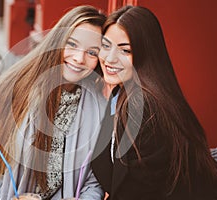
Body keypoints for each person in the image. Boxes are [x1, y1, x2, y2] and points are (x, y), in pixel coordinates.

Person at [0, 5, 107, 200]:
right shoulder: (12, 90)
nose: (79, 58)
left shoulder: (99, 109)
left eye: (92, 52)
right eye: (72, 44)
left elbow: (93, 183)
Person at [91, 5, 217, 200]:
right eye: (105, 46)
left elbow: (133, 192)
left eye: (125, 50)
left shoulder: (146, 109)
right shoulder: (122, 92)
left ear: (145, 54)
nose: (109, 58)